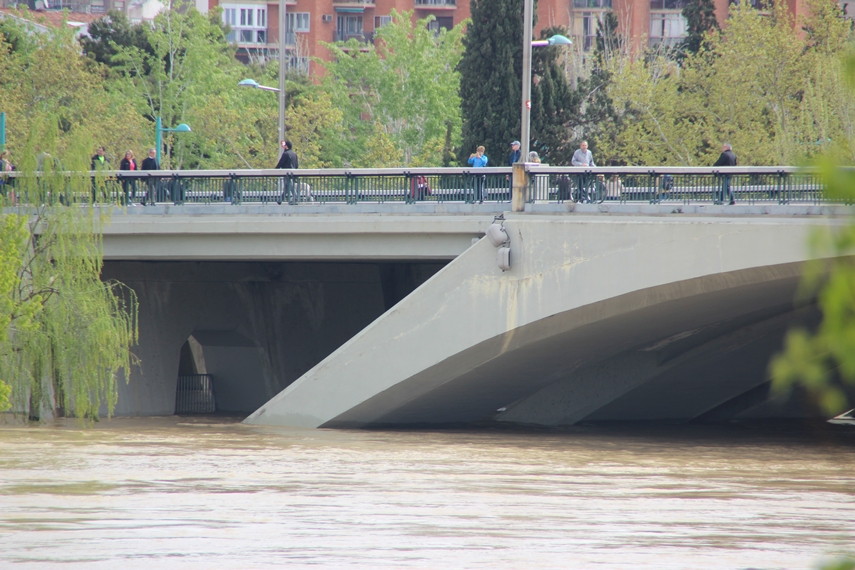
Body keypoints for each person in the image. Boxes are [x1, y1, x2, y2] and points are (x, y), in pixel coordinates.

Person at [275, 140, 299, 204]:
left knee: (290, 186)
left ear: (286, 146)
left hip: (287, 173)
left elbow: (281, 163)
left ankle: (296, 198)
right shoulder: (294, 154)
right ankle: (280, 200)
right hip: (293, 173)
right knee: (287, 187)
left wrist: (275, 170)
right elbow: (296, 165)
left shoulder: (286, 154)